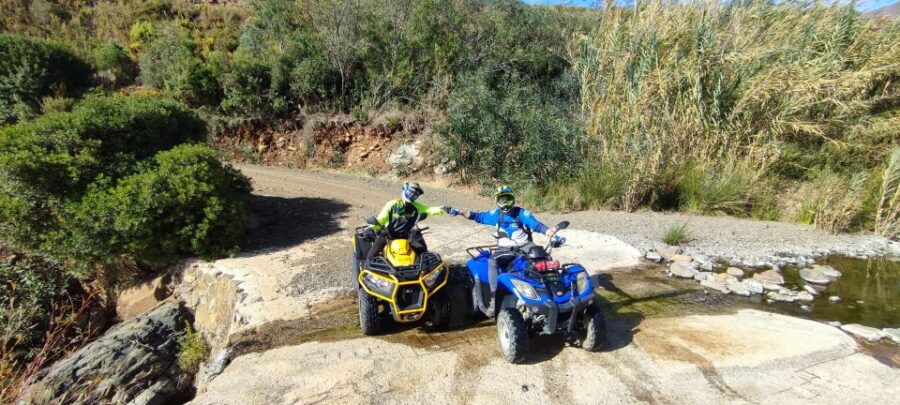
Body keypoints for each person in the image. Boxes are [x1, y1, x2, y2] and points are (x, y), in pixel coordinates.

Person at [458, 185, 564, 316]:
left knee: (544, 257)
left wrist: (551, 233)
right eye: (502, 200)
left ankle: (557, 289)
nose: (505, 203)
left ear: (513, 199)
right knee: (493, 261)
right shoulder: (496, 215)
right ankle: (494, 297)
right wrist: (462, 212)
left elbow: (536, 225)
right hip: (505, 248)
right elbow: (479, 217)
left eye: (508, 199)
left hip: (525, 245)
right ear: (497, 201)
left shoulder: (521, 213)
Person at [366, 182, 457, 260]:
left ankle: (425, 275)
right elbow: (381, 219)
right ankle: (366, 274)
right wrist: (371, 228)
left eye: (415, 195)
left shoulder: (416, 206)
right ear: (404, 190)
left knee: (422, 250)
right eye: (410, 193)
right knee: (371, 256)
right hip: (389, 234)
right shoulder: (392, 204)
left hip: (408, 235)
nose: (412, 196)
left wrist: (443, 208)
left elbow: (430, 210)